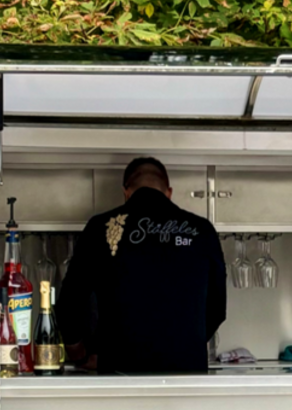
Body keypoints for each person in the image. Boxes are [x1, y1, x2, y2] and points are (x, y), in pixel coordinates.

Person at [57, 157, 226, 374]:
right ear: (169, 192)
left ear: (126, 192)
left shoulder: (101, 227)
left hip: (120, 372)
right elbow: (217, 309)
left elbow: (69, 304)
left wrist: (79, 355)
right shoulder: (203, 231)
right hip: (186, 375)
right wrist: (184, 344)